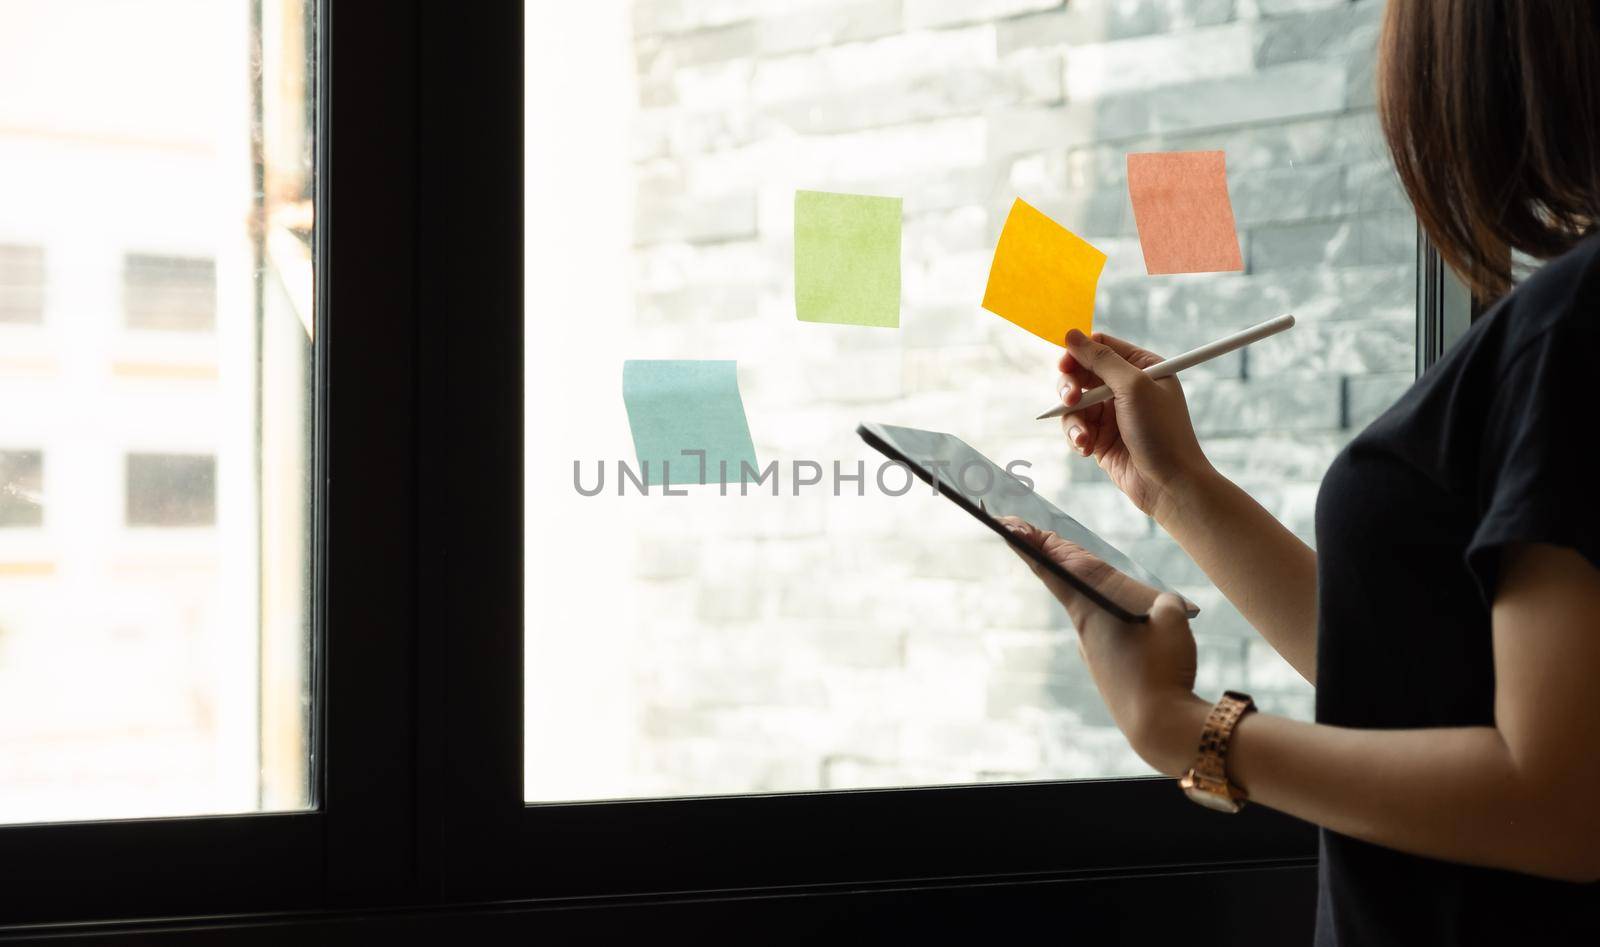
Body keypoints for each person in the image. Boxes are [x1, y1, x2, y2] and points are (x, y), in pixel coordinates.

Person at [1001, 2, 1600, 944]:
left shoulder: (1575, 325)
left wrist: (1187, 730)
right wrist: (1175, 488)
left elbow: (1561, 803)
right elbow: (1424, 679)